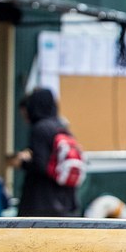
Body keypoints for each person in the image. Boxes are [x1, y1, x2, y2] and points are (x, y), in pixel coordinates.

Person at [9, 88, 80, 217]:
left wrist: (23, 162)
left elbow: (40, 164)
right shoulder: (62, 127)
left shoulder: (40, 128)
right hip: (66, 201)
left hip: (41, 202)